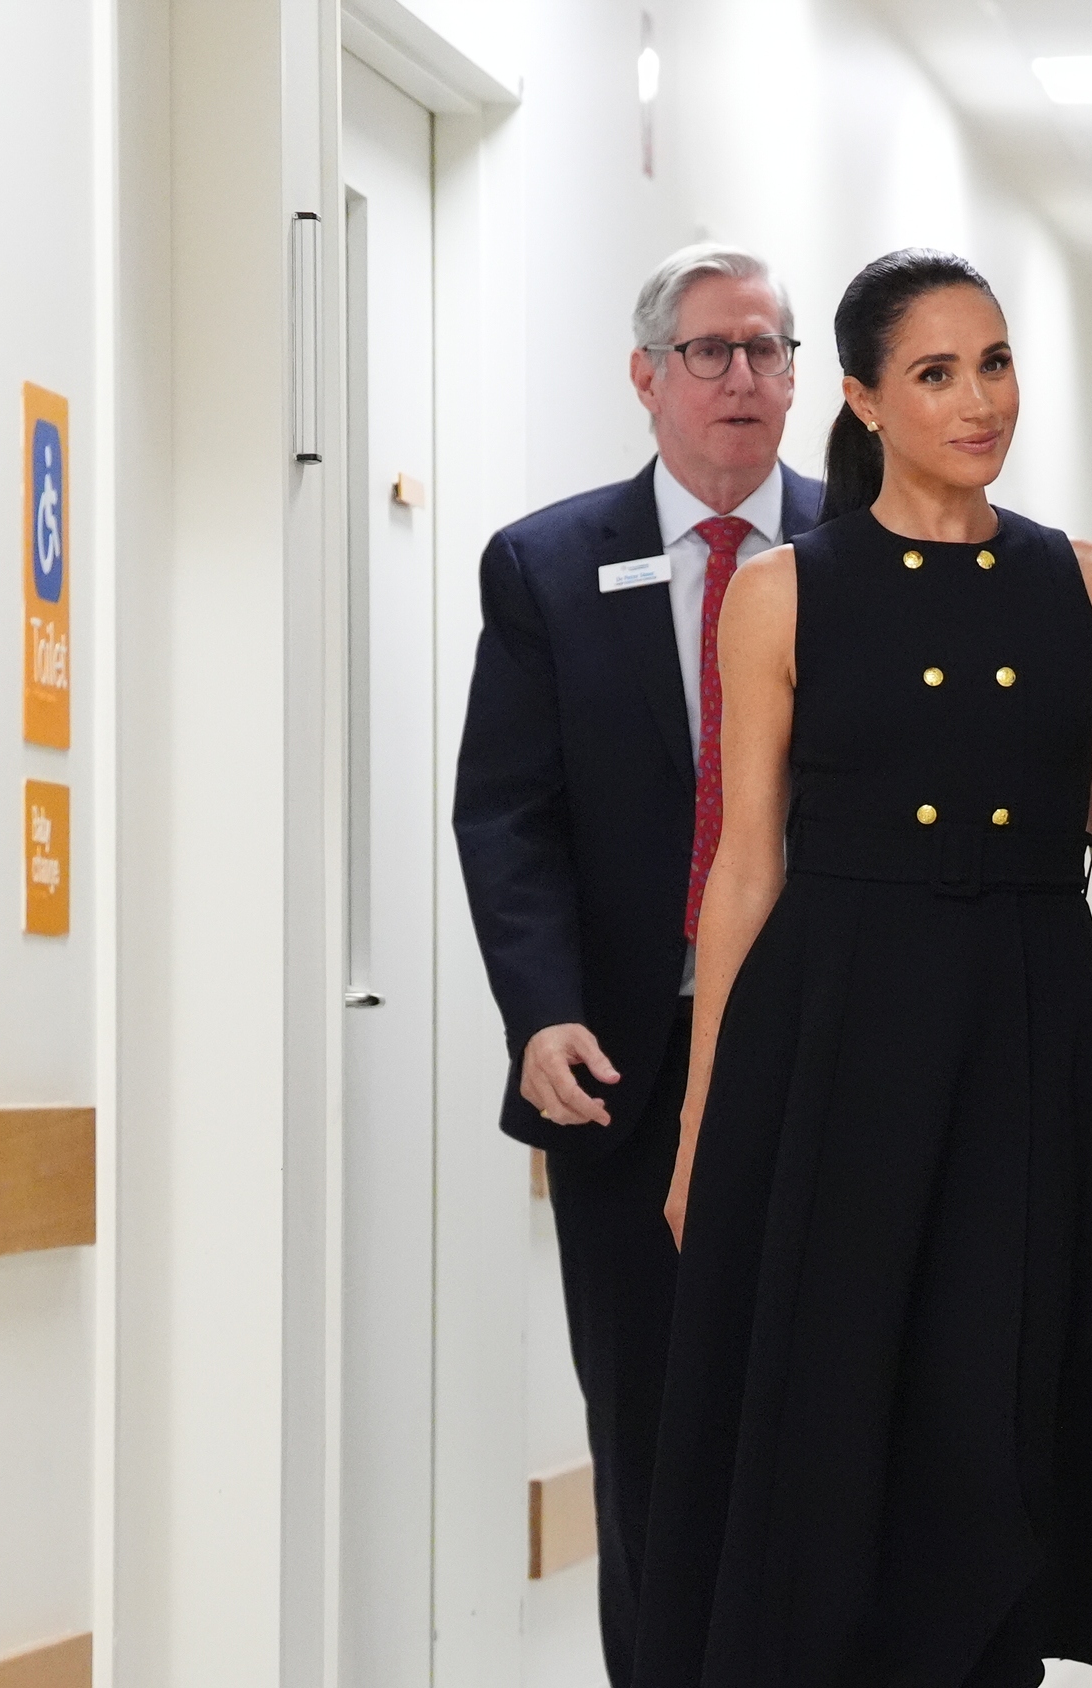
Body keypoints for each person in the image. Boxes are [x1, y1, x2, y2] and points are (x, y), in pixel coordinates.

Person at [630, 250, 1092, 1688]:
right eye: (935, 372)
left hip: (1026, 1039)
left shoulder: (1090, 588)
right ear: (857, 399)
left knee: (999, 1407)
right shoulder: (783, 596)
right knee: (838, 1411)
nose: (980, 400)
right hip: (833, 1041)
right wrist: (702, 1126)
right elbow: (743, 871)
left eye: (995, 362)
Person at [450, 243, 821, 1686]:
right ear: (646, 375)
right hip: (628, 1074)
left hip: (823, 1060)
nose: (743, 379)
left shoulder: (870, 551)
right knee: (658, 1445)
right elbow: (510, 814)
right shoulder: (547, 565)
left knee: (828, 1428)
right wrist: (538, 1012)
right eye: (713, 351)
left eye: (769, 350)